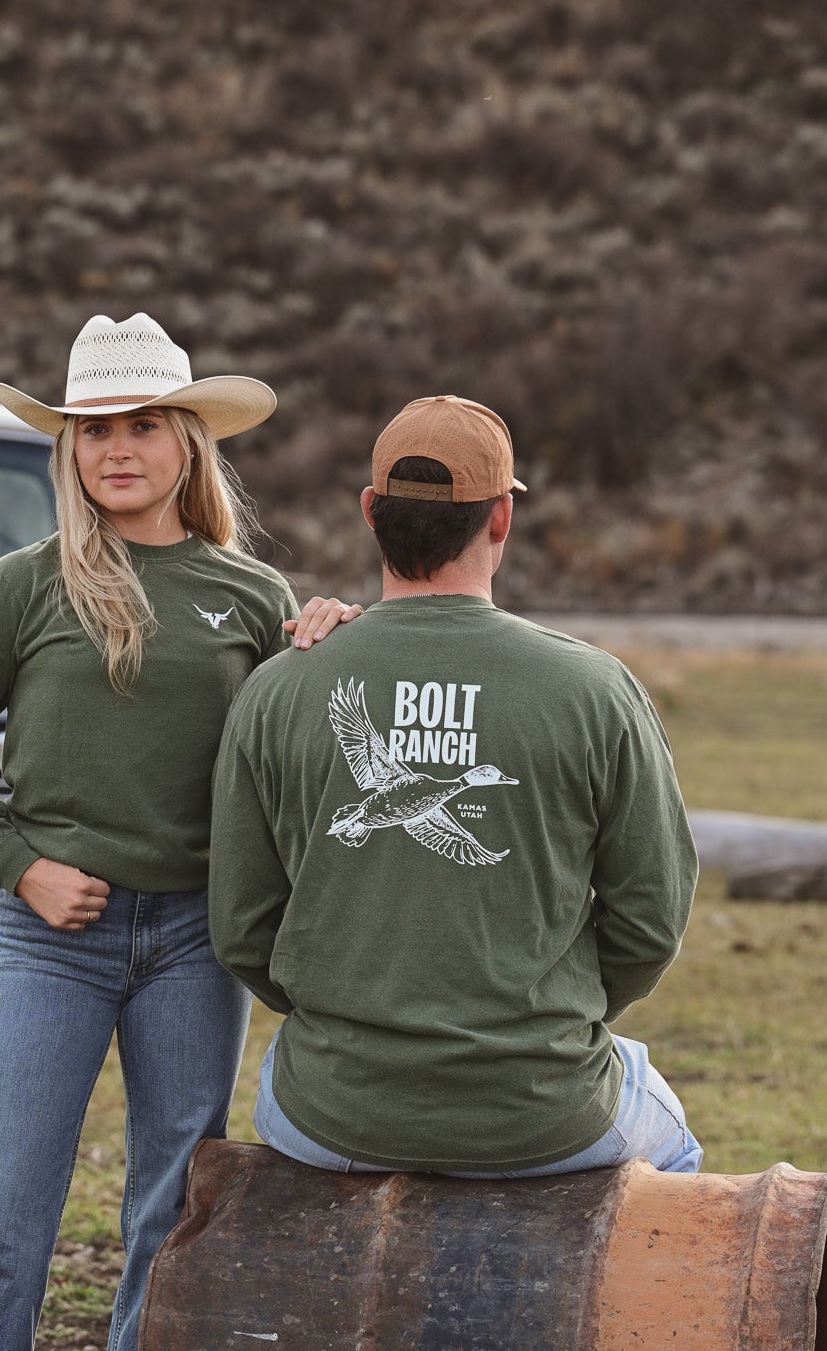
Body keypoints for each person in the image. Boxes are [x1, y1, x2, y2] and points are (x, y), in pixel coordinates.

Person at [0, 312, 361, 1351]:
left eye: (143, 424)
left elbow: (291, 757)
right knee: (1, 1198)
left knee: (174, 1202)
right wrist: (21, 864)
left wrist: (331, 648)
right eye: (93, 428)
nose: (117, 448)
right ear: (68, 448)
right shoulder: (24, 583)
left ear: (188, 441)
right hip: (54, 935)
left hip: (198, 935)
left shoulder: (252, 596)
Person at [208, 393, 702, 1180]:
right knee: (676, 1153)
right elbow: (651, 920)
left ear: (371, 512)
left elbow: (240, 927)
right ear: (500, 518)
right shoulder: (595, 689)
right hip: (539, 1106)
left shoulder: (278, 688)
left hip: (333, 1106)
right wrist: (546, 1021)